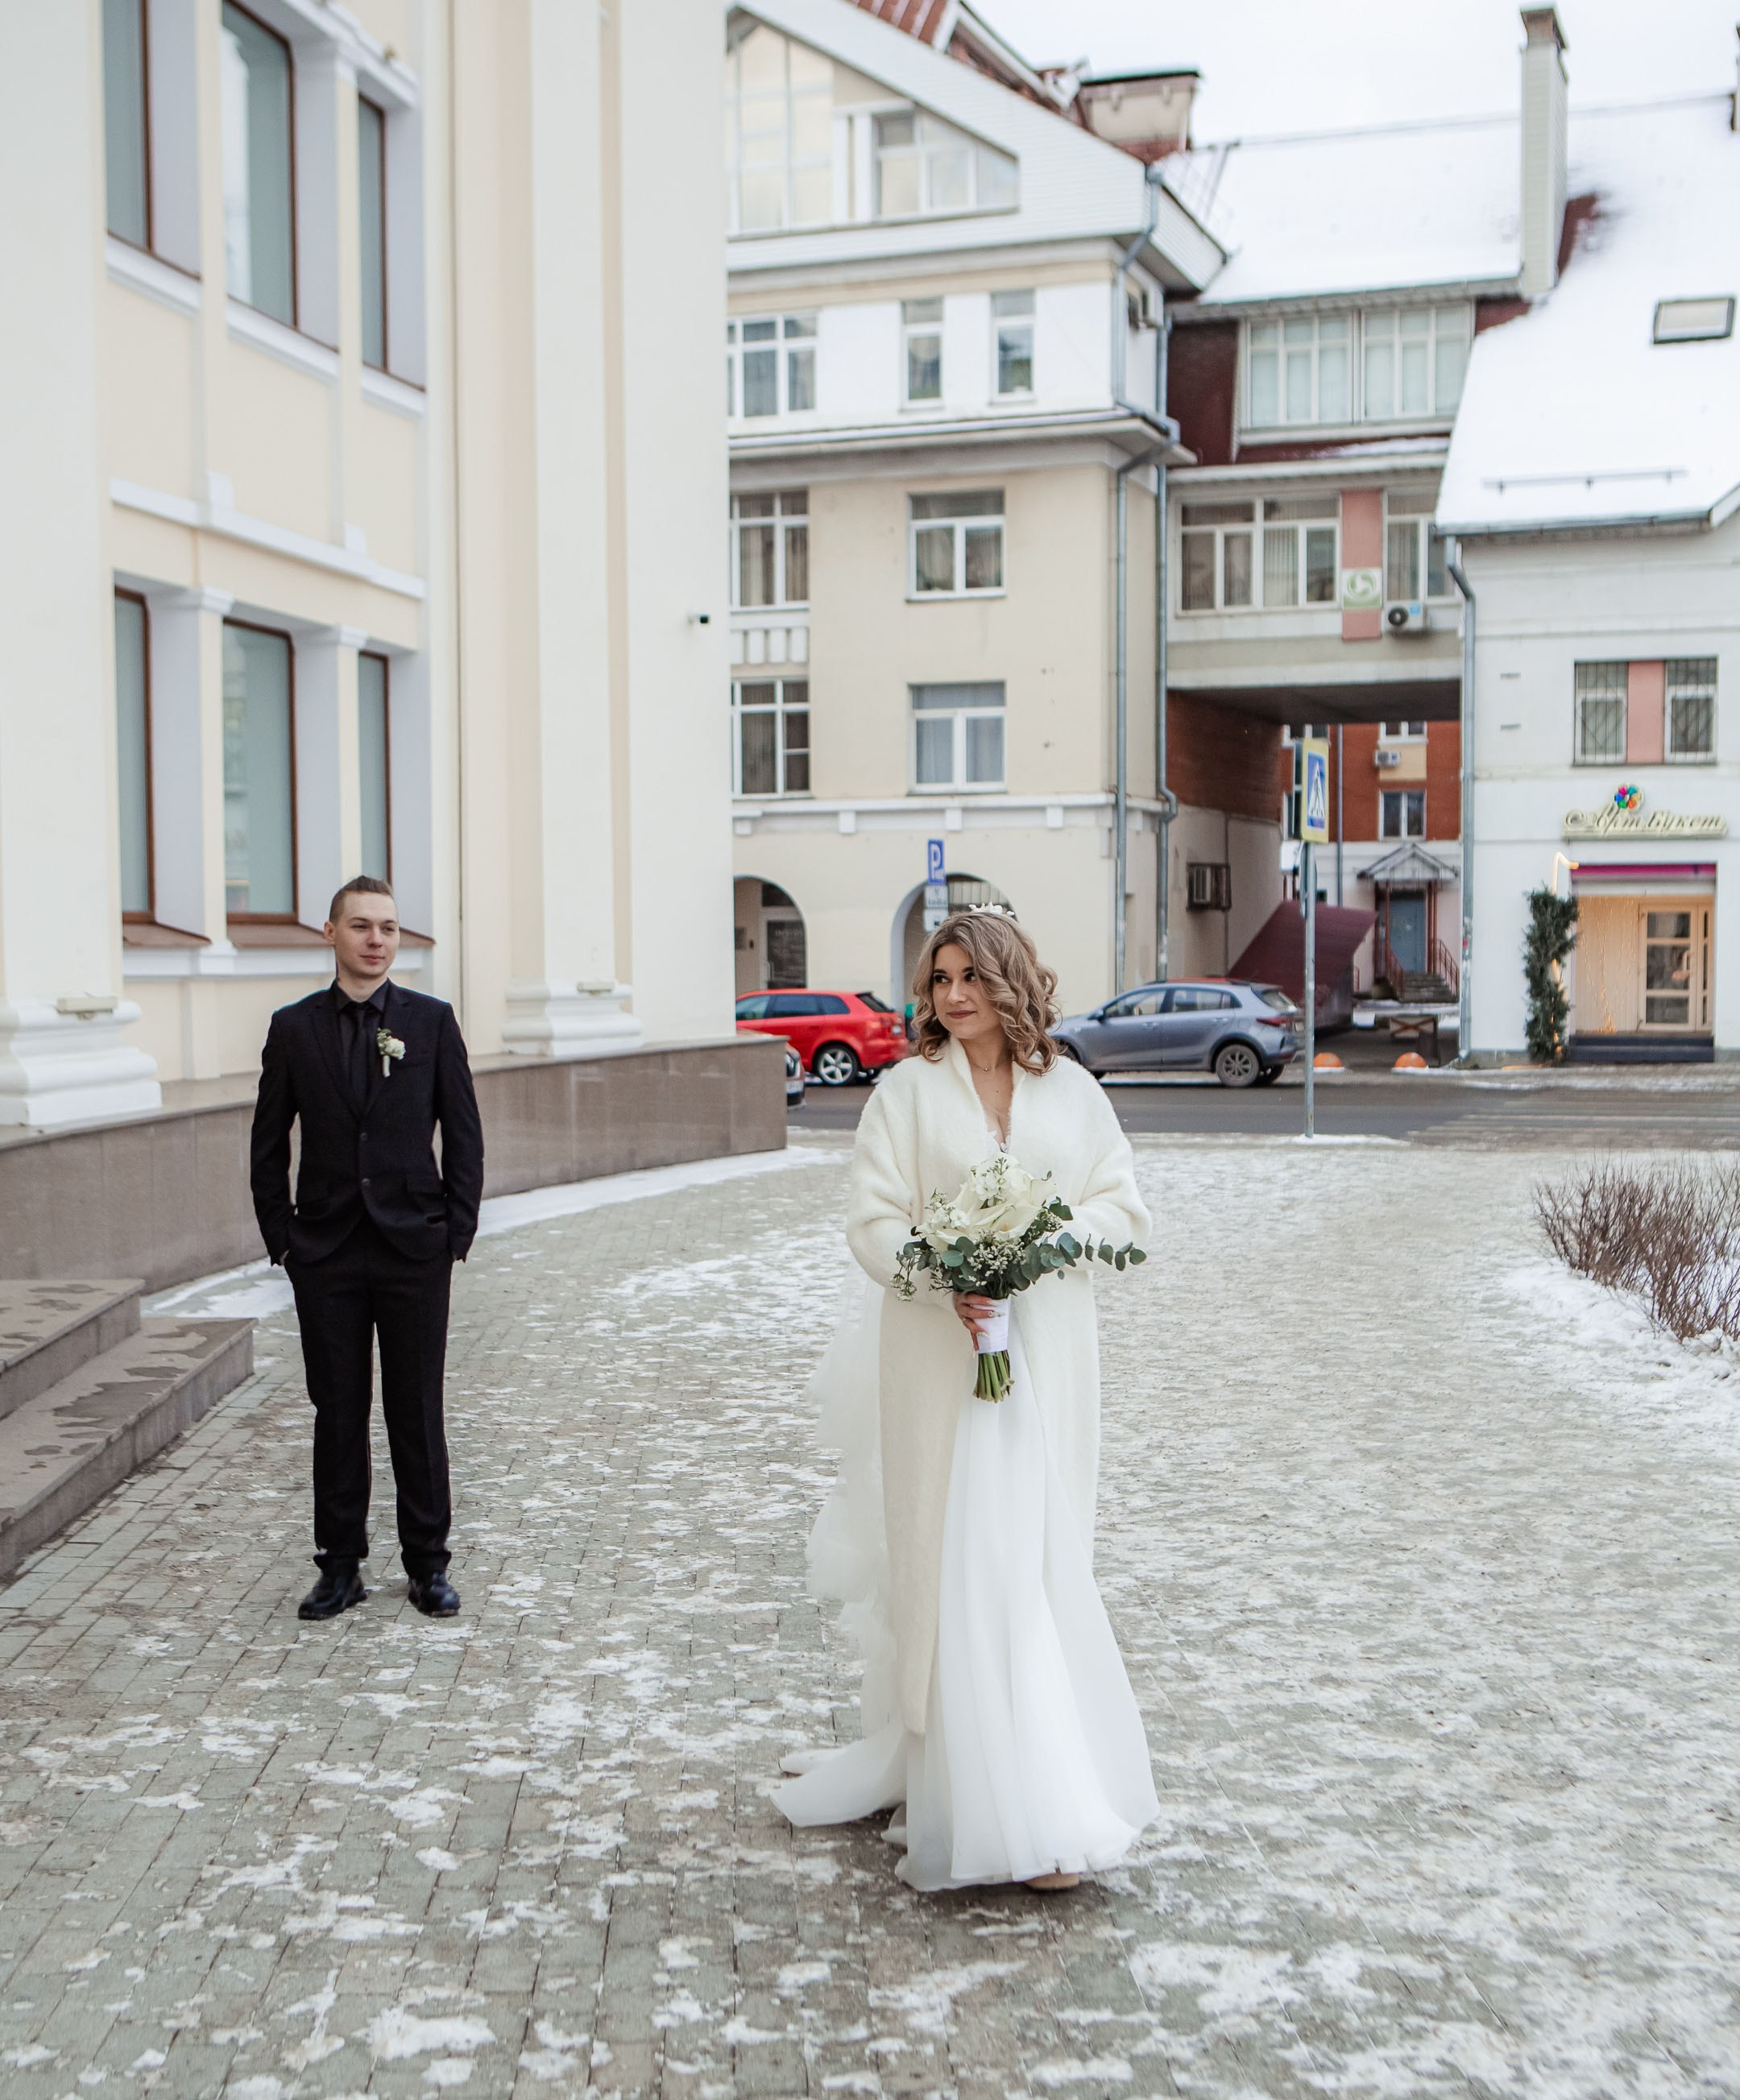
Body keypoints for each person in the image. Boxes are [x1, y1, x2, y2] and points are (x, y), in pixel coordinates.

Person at [773, 906, 1158, 1890]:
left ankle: (1044, 1792)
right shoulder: (903, 1094)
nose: (952, 995)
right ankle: (969, 1787)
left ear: (1008, 982)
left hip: (1042, 1372)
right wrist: (943, 1274)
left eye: (970, 977)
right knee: (958, 1565)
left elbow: (1124, 1207)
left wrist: (1043, 1242)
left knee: (1031, 1566)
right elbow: (871, 1218)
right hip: (942, 1372)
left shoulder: (1070, 1092)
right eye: (939, 978)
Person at [250, 876, 484, 1622]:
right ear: (331, 934)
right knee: (338, 1409)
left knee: (416, 1408)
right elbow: (267, 1142)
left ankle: (427, 1564)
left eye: (387, 926)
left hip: (413, 1247)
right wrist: (282, 1235)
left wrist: (455, 1229)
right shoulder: (293, 1028)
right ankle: (339, 1566)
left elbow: (464, 1131)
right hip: (325, 1250)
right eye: (361, 925)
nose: (377, 939)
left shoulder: (432, 1020)